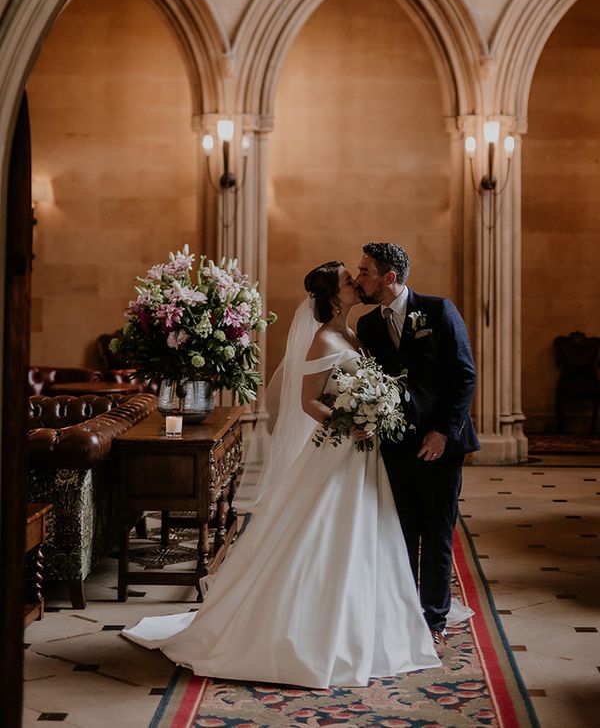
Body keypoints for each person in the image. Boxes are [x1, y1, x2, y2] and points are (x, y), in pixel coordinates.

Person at [122, 261, 440, 688]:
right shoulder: (323, 339)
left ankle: (368, 623)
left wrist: (373, 412)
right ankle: (306, 631)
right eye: (348, 280)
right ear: (332, 295)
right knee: (326, 531)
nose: (354, 283)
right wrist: (348, 424)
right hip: (340, 448)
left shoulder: (352, 332)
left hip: (363, 452)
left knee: (368, 532)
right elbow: (309, 401)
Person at [355, 242, 478, 646]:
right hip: (394, 446)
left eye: (366, 271)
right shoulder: (370, 325)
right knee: (400, 532)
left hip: (443, 444)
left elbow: (464, 374)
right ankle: (404, 611)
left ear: (389, 277)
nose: (360, 279)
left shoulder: (440, 310)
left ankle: (435, 619)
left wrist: (442, 430)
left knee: (437, 532)